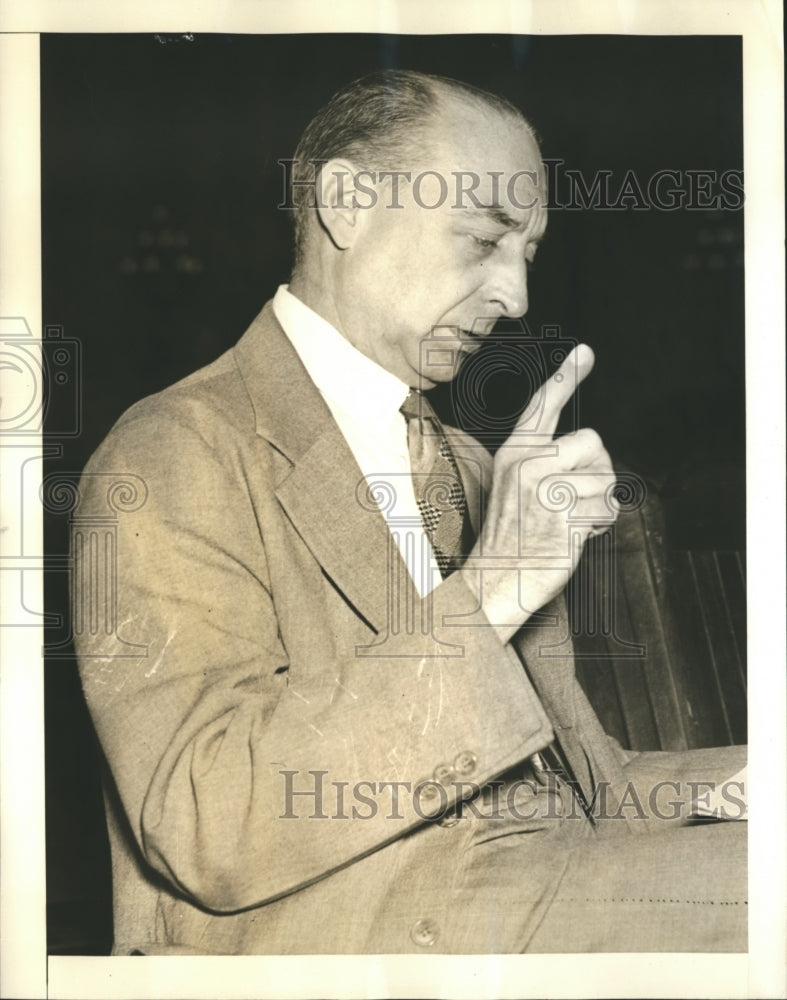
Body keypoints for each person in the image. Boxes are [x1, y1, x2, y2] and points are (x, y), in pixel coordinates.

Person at [74, 70, 747, 955]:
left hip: (535, 890)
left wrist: (729, 782)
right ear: (346, 203)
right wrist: (493, 586)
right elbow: (205, 821)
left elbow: (593, 790)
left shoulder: (471, 465)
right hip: (343, 942)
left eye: (527, 254)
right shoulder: (172, 451)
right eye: (483, 240)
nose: (516, 296)